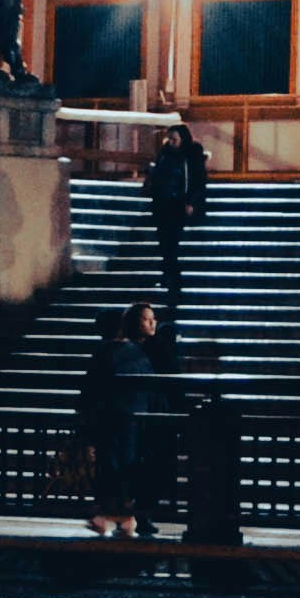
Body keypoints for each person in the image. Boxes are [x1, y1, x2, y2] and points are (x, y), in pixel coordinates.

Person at [80, 300, 168, 541]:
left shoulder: (115, 353)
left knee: (118, 471)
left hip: (121, 422)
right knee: (122, 471)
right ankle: (123, 516)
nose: (153, 323)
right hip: (125, 423)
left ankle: (119, 516)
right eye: (146, 319)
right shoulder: (128, 353)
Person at [146, 119, 212, 292]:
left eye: (174, 139)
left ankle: (172, 277)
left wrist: (192, 202)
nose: (172, 142)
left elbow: (199, 180)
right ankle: (170, 276)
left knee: (171, 242)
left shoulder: (192, 152)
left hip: (179, 203)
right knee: (165, 242)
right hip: (163, 203)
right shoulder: (165, 152)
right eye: (170, 139)